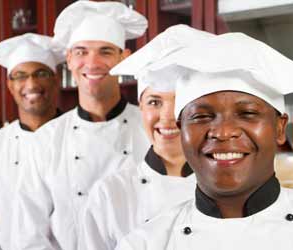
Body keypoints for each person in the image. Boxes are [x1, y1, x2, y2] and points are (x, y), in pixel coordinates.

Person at [115, 30, 293, 250]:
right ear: (181, 131)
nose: (224, 132)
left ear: (279, 127)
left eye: (247, 113)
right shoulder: (144, 244)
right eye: (202, 116)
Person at [12, 2, 149, 250]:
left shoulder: (152, 130)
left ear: (124, 58)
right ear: (69, 60)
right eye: (81, 51)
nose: (92, 62)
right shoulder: (45, 141)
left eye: (106, 51)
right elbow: (28, 233)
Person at [79, 24, 214, 250]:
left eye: (181, 102)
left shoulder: (227, 188)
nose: (168, 117)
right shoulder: (110, 193)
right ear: (140, 106)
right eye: (154, 102)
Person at [0, 33, 64, 250]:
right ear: (10, 85)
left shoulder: (75, 137)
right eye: (20, 76)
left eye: (40, 73)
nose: (31, 83)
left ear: (56, 78)